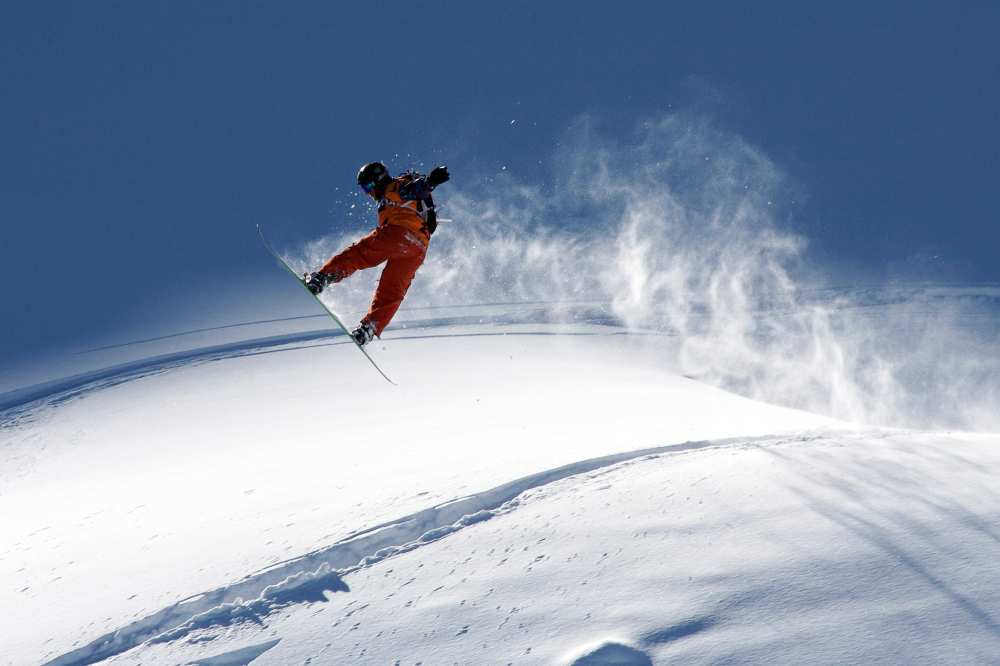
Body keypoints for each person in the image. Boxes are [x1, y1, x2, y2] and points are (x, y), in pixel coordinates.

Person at [304, 161, 450, 346]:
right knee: (392, 289)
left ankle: (323, 278)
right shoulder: (390, 199)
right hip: (418, 249)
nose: (369, 192)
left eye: (369, 186)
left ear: (378, 180)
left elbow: (414, 190)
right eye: (365, 189)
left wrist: (430, 182)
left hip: (400, 234)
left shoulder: (394, 186)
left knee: (360, 253)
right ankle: (370, 328)